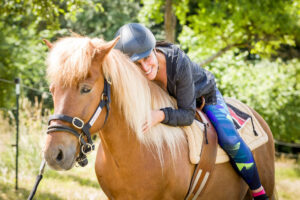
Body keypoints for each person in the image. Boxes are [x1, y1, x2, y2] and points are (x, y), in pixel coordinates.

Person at [114, 23, 269, 200]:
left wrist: (160, 115)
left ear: (154, 49)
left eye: (147, 58)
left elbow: (187, 115)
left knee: (230, 139)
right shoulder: (134, 74)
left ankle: (258, 191)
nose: (145, 68)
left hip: (204, 98)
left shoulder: (178, 63)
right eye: (136, 64)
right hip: (173, 101)